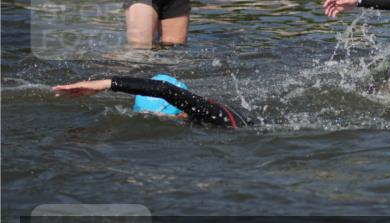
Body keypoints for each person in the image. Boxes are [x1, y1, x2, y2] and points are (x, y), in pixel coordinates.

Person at [53, 75, 254, 128]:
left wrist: (104, 84)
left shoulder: (212, 114)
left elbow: (163, 90)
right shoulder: (204, 117)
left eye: (159, 117)